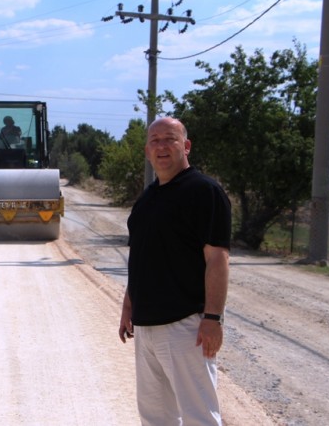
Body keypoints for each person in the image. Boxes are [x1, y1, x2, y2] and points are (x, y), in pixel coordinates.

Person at [118, 117, 231, 425]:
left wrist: (212, 318)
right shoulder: (147, 199)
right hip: (146, 326)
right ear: (147, 151)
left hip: (186, 327)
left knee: (199, 416)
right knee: (155, 417)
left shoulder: (204, 191)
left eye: (170, 139)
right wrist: (129, 305)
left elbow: (217, 259)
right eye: (155, 141)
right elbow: (142, 258)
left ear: (186, 146)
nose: (162, 146)